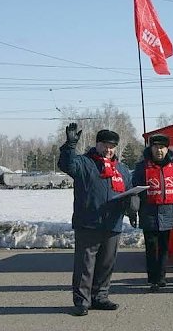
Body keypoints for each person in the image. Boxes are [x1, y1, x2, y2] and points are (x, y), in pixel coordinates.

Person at [58, 123, 132, 316]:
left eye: (112, 146)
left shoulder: (121, 169)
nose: (108, 149)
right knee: (85, 265)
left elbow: (129, 192)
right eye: (105, 145)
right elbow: (66, 164)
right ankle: (82, 301)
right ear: (97, 144)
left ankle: (100, 297)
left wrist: (133, 208)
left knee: (106, 264)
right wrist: (70, 145)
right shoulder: (84, 163)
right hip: (88, 223)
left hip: (113, 224)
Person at [131, 133, 173, 292]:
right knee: (151, 246)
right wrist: (133, 211)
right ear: (151, 148)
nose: (159, 150)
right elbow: (135, 191)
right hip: (148, 212)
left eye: (162, 147)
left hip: (168, 211)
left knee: (164, 246)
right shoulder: (142, 166)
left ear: (167, 148)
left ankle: (161, 277)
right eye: (155, 147)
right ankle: (153, 278)